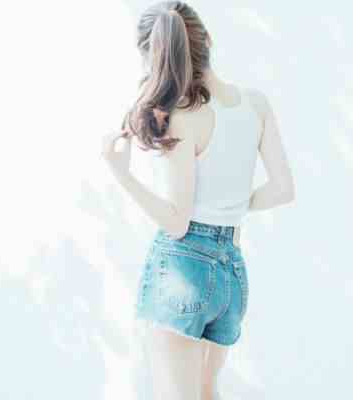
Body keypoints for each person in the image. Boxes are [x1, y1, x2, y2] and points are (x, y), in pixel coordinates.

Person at [101, 1, 295, 399]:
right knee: (207, 393)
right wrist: (233, 206)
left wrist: (123, 175)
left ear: (154, 56)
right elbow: (282, 189)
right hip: (232, 273)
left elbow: (177, 221)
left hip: (183, 270)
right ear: (207, 39)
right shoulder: (255, 103)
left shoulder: (182, 116)